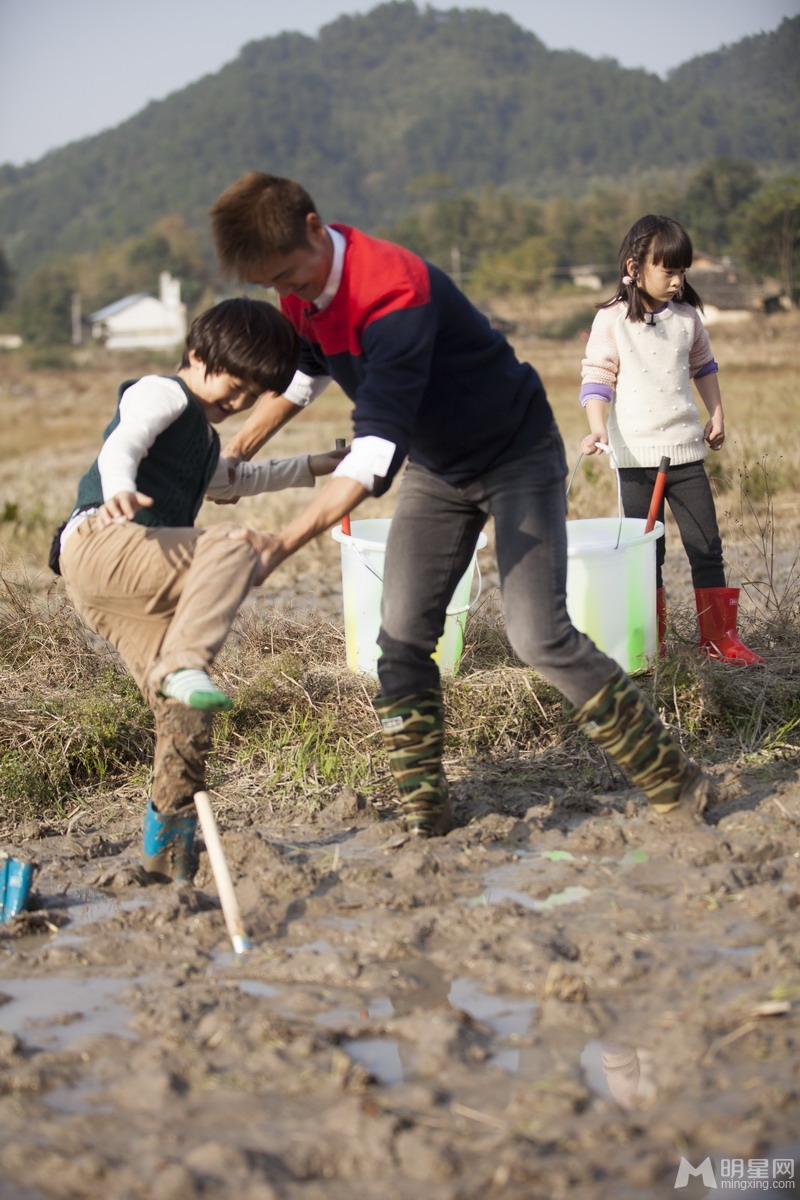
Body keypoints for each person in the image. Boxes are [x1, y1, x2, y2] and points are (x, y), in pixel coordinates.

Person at [209, 172, 718, 840]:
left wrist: (282, 541)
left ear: (312, 227)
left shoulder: (392, 289)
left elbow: (375, 450)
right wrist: (238, 450)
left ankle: (673, 778)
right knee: (402, 641)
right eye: (270, 284)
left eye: (289, 277)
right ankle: (428, 817)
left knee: (538, 635)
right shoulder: (301, 295)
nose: (287, 293)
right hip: (440, 466)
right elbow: (307, 374)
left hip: (515, 452)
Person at [55, 297, 343, 881]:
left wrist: (320, 463)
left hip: (127, 581)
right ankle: (185, 660)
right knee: (235, 545)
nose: (237, 403)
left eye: (251, 394)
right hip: (104, 541)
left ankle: (167, 858)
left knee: (185, 714)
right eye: (233, 386)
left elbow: (242, 479)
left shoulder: (207, 442)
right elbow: (125, 443)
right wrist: (118, 490)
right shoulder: (161, 394)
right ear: (197, 356)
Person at [579, 214, 762, 665]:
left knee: (705, 545)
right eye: (669, 270)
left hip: (685, 455)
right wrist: (597, 426)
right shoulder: (611, 321)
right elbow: (598, 376)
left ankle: (720, 640)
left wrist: (716, 413)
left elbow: (705, 367)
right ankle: (648, 641)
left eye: (683, 271)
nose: (678, 281)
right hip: (635, 460)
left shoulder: (687, 319)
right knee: (646, 555)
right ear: (634, 266)